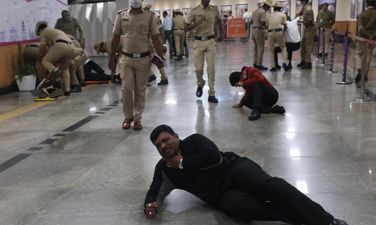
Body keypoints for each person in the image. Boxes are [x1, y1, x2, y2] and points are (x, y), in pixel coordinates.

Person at [144, 124, 349, 225]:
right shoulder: (164, 168)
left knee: (271, 187)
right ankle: (301, 218)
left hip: (235, 168)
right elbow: (155, 190)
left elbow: (213, 157)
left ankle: (326, 221)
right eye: (159, 145)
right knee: (246, 209)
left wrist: (182, 163)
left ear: (176, 137)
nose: (163, 146)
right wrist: (151, 204)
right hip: (222, 194)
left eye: (166, 139)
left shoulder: (194, 141)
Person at [108, 0, 164, 131]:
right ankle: (128, 117)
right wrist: (111, 57)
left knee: (140, 90)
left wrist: (161, 56)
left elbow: (156, 37)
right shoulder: (121, 15)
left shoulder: (150, 16)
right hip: (126, 58)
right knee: (126, 89)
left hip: (143, 59)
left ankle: (138, 119)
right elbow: (115, 37)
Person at [184, 0, 223, 103]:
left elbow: (219, 21)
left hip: (210, 41)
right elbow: (185, 28)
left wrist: (221, 34)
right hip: (198, 42)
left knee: (211, 68)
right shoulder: (194, 11)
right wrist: (198, 22)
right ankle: (200, 83)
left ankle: (211, 93)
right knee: (198, 69)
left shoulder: (214, 10)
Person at [35, 21, 82, 97]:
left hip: (60, 45)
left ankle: (55, 71)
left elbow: (42, 47)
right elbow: (54, 51)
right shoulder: (55, 31)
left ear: (39, 30)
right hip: (71, 47)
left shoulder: (43, 32)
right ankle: (67, 90)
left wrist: (39, 59)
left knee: (45, 61)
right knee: (65, 68)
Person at [354, 0, 376, 85]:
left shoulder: (363, 14)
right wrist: (372, 35)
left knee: (358, 54)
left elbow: (360, 28)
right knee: (368, 56)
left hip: (362, 38)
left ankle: (359, 69)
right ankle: (365, 75)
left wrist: (366, 34)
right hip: (372, 39)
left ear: (366, 4)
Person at [266, 1, 289, 72]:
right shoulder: (283, 15)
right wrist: (284, 32)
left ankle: (273, 67)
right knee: (283, 47)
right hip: (279, 32)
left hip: (270, 32)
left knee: (271, 50)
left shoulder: (268, 15)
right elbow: (285, 25)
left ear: (274, 8)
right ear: (280, 8)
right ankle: (284, 62)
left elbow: (267, 25)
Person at [297, 0, 316, 69]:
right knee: (303, 45)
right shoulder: (305, 7)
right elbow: (299, 13)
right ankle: (303, 61)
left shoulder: (308, 9)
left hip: (310, 28)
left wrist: (301, 21)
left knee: (308, 45)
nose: (300, 1)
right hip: (306, 27)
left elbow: (310, 21)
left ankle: (308, 63)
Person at [251, 1, 269, 71]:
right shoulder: (263, 11)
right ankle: (259, 64)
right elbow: (263, 21)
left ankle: (255, 63)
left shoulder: (255, 11)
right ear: (266, 6)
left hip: (253, 30)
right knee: (261, 48)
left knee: (255, 48)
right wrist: (266, 26)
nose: (268, 9)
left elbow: (252, 21)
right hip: (259, 30)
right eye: (268, 8)